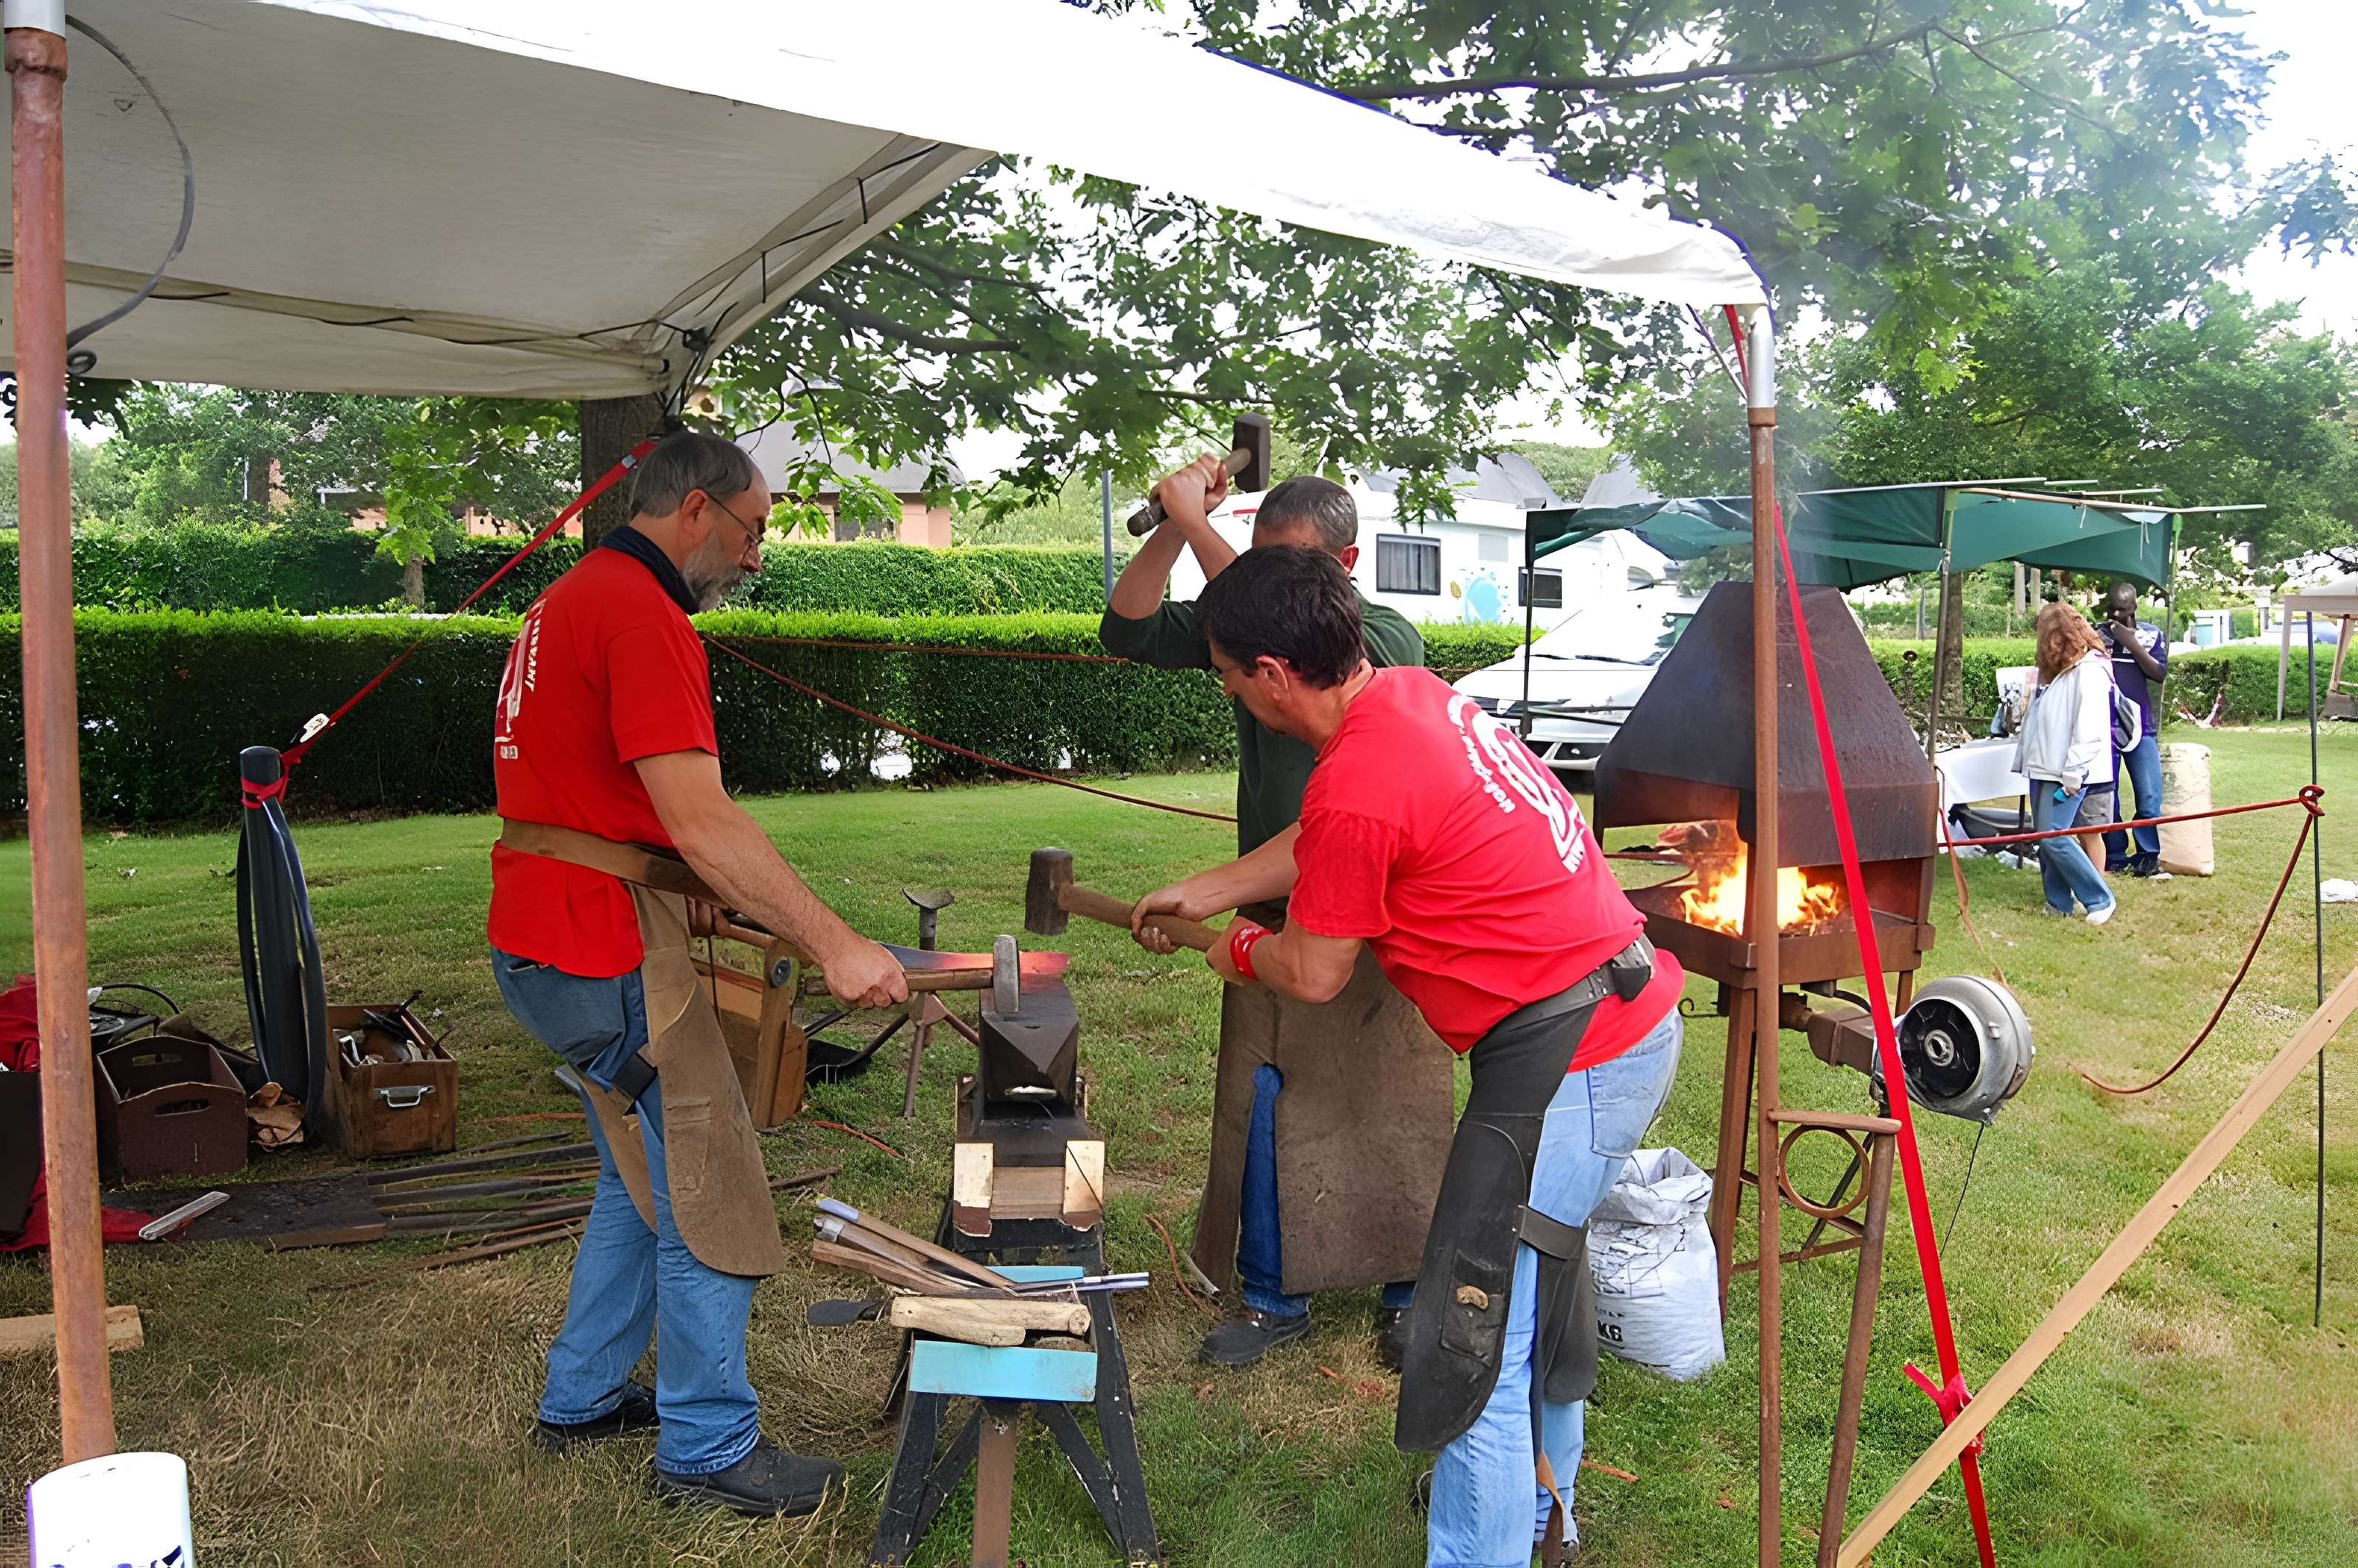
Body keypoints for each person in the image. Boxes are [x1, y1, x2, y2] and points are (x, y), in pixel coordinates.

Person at [1128, 547, 1686, 1565]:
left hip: (1572, 1059)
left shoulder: (1361, 780)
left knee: (1471, 1337)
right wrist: (1207, 887)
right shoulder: (1407, 698)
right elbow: (1326, 835)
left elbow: (1313, 970)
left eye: (1224, 674)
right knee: (1535, 1299)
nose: (1227, 693)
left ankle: (1491, 1543)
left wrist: (1231, 944)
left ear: (1272, 672)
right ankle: (1545, 1514)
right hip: (1617, 1017)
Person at [486, 430, 909, 1515]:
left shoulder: (569, 598)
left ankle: (579, 1399)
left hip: (544, 934)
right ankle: (709, 1450)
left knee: (636, 1182)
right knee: (709, 1186)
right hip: (602, 946)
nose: (757, 557)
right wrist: (836, 943)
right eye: (754, 529)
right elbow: (702, 816)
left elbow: (597, 796)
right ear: (695, 512)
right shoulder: (644, 613)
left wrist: (688, 876)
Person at [1100, 457, 1451, 1370]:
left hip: (1381, 909)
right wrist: (1176, 526)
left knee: (1398, 1105)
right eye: (1257, 565)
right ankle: (1270, 1296)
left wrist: (1196, 521)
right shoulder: (1246, 637)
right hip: (1274, 898)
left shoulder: (1382, 637)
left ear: (1346, 562)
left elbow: (1341, 820)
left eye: (1288, 571)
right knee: (1262, 1101)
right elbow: (1125, 629)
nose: (1266, 590)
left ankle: (1410, 1291)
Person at [2017, 601, 2117, 923]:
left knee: (2054, 836)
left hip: (2067, 771)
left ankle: (2099, 899)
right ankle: (2057, 904)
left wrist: (2072, 777)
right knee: (2045, 839)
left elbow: (2088, 730)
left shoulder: (2089, 670)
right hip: (2044, 767)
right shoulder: (2059, 672)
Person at [2098, 580, 2169, 878]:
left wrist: (2130, 642)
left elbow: (2158, 673)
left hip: (2142, 726)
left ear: (2135, 607)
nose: (2116, 615)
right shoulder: (2094, 634)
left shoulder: (2152, 635)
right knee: (2107, 794)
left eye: (2123, 610)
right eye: (2112, 609)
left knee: (2150, 795)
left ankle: (2147, 855)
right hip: (2103, 727)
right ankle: (2114, 855)